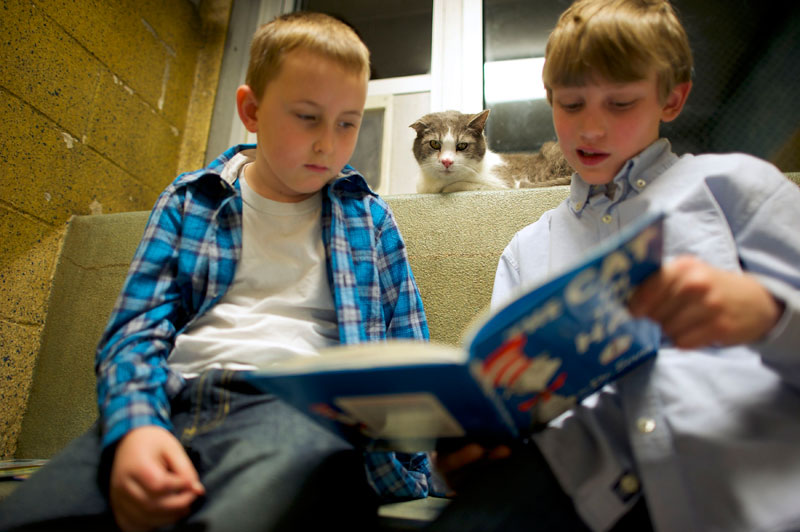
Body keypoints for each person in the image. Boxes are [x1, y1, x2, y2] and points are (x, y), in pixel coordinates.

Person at [0, 12, 433, 532]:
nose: (328, 143)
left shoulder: (371, 218)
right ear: (251, 110)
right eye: (307, 117)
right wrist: (137, 430)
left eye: (348, 122)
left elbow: (409, 347)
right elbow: (134, 332)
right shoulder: (191, 200)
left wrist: (416, 457)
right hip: (174, 401)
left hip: (299, 415)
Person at [428, 0, 800, 531]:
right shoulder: (528, 250)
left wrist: (769, 316)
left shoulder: (736, 187)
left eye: (621, 103)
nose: (591, 130)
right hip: (582, 491)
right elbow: (505, 395)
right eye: (571, 105)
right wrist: (475, 447)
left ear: (672, 98)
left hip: (735, 474)